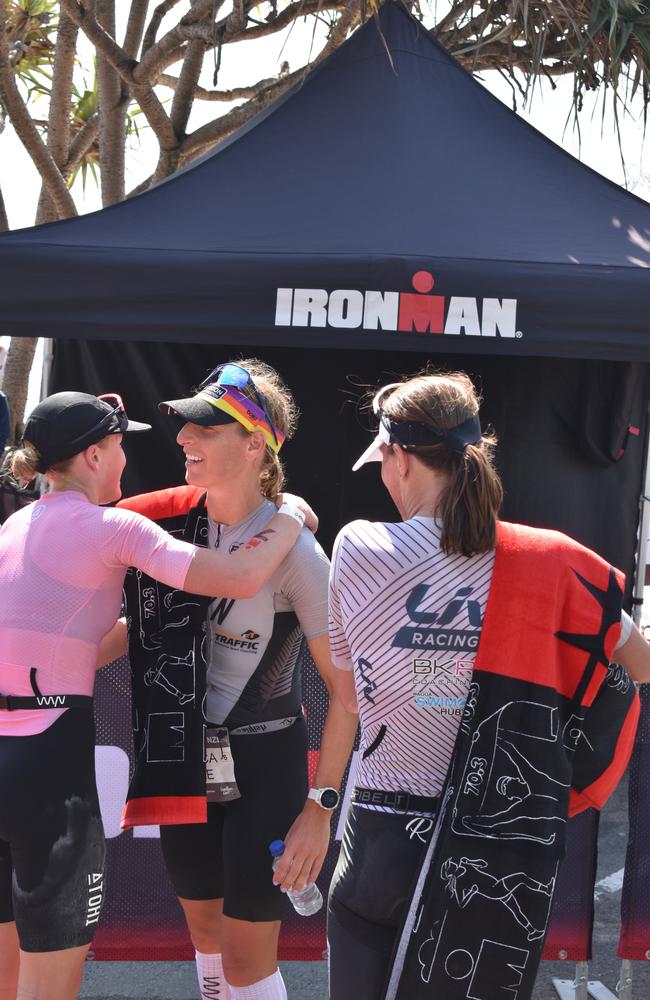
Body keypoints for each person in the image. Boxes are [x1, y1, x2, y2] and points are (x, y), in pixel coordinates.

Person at [327, 371, 650, 1000]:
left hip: (380, 834)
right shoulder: (555, 561)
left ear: (400, 459)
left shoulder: (358, 547)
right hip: (497, 849)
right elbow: (638, 665)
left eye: (384, 461)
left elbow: (348, 688)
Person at [0, 390, 312, 1000]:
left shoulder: (15, 524)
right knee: (49, 979)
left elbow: (83, 648)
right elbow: (241, 577)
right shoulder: (112, 525)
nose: (126, 462)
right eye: (119, 447)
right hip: (47, 763)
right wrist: (292, 516)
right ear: (93, 454)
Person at [115, 360, 358, 1000]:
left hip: (264, 763)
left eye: (205, 428)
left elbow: (346, 694)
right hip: (183, 755)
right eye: (186, 427)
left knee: (248, 961)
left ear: (256, 444)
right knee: (204, 940)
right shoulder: (169, 527)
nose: (183, 440)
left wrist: (319, 808)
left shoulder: (300, 551)